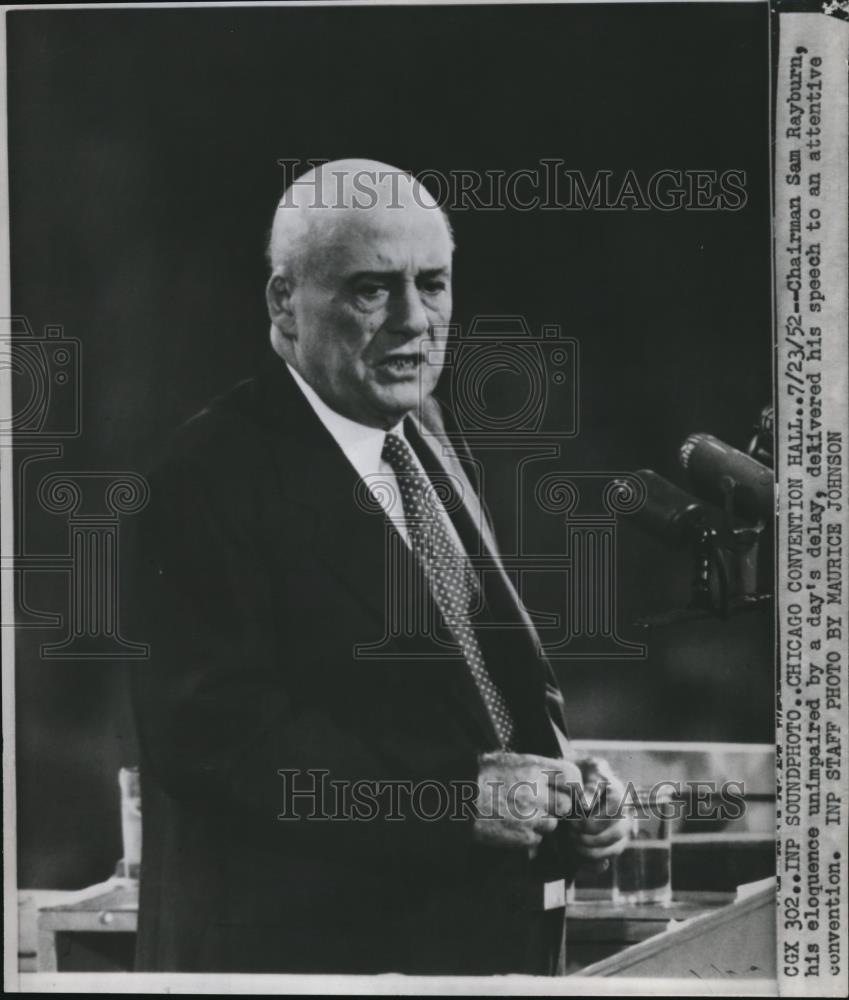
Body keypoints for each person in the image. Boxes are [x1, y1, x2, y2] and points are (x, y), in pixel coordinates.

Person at [131, 159, 629, 975]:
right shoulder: (204, 477)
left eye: (431, 283)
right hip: (314, 964)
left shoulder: (427, 431)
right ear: (284, 302)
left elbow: (473, 690)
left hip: (473, 946)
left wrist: (570, 789)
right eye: (371, 289)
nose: (412, 321)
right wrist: (441, 800)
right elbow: (213, 744)